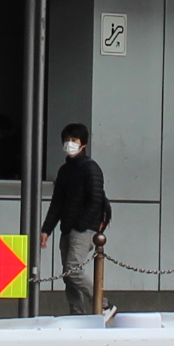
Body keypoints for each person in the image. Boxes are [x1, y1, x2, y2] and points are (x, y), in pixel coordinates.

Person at [41, 122, 110, 317]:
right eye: (67, 140)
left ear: (83, 144)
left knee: (72, 270)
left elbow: (95, 200)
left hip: (83, 229)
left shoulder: (91, 168)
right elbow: (57, 203)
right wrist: (46, 229)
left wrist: (81, 225)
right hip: (67, 228)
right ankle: (76, 313)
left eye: (74, 140)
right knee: (68, 275)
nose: (69, 144)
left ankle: (104, 305)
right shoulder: (64, 171)